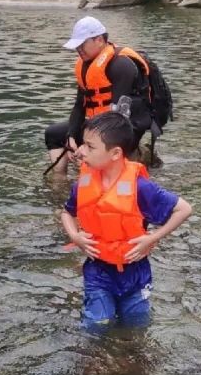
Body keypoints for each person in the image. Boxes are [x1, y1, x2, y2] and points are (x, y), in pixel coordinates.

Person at [61, 110, 192, 331]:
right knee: (96, 326)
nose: (81, 151)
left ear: (115, 153)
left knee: (136, 328)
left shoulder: (140, 188)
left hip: (135, 274)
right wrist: (75, 236)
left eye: (90, 147)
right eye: (83, 144)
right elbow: (67, 212)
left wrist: (152, 238)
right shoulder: (82, 184)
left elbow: (184, 209)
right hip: (98, 271)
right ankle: (98, 363)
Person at [44, 17, 155, 173]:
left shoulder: (121, 65)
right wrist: (71, 137)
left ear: (100, 40)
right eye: (77, 45)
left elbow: (118, 118)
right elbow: (79, 106)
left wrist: (87, 144)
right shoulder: (85, 67)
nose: (79, 49)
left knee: (98, 148)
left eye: (82, 44)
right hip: (98, 125)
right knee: (54, 134)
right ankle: (59, 182)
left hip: (126, 126)